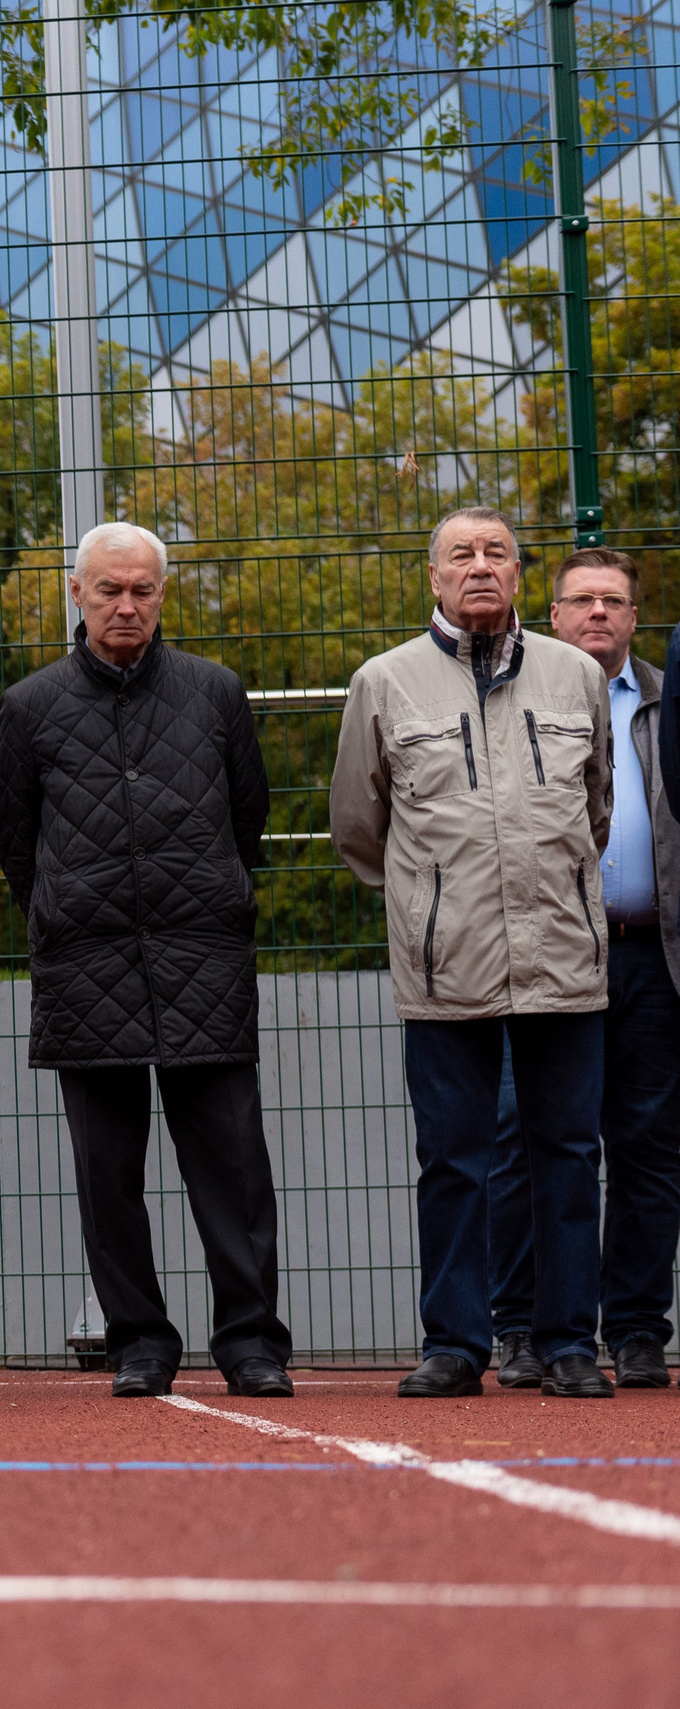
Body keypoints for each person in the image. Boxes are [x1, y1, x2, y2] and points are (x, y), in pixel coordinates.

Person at [0, 522, 294, 1399]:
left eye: (143, 591)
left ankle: (250, 1343)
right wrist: (62, 910)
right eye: (109, 589)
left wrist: (208, 899)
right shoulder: (31, 705)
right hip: (85, 966)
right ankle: (140, 1342)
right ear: (74, 593)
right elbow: (15, 837)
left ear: (163, 595)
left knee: (233, 1167)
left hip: (205, 957)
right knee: (107, 1174)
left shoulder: (215, 693)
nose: (127, 605)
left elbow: (249, 818)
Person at [330, 506, 615, 1399]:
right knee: (452, 1158)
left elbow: (594, 811)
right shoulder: (384, 681)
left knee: (566, 1155)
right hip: (443, 965)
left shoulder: (575, 676)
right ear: (434, 576)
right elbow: (358, 825)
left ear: (521, 573)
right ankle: (454, 1343)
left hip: (562, 957)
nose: (480, 566)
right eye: (462, 553)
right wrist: (434, 903)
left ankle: (569, 1342)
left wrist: (550, 889)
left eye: (497, 552)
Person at [483, 547, 680, 1389]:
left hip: (651, 955)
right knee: (527, 1143)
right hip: (545, 958)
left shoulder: (675, 702)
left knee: (648, 1149)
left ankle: (636, 1328)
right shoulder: (509, 696)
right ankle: (521, 1327)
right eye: (581, 600)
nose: (598, 613)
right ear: (552, 613)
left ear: (637, 617)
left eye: (615, 601)